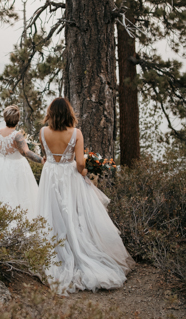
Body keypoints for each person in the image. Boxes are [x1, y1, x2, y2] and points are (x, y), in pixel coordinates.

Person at [37, 97, 134, 294]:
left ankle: (56, 253)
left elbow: (46, 155)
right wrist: (84, 174)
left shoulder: (43, 132)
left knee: (53, 213)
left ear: (51, 114)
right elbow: (80, 163)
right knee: (75, 214)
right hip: (69, 177)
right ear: (68, 113)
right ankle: (78, 250)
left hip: (50, 176)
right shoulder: (76, 133)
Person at [0, 105, 42, 220]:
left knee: (0, 195)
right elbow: (26, 152)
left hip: (0, 167)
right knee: (20, 194)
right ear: (18, 119)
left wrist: (2, 159)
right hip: (17, 167)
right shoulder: (17, 135)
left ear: (5, 118)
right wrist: (41, 160)